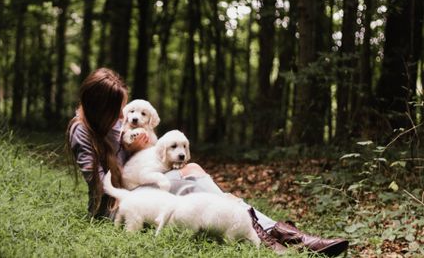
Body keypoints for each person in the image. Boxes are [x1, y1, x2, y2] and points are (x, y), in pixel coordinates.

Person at [66, 68, 348, 256]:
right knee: (185, 181)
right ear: (99, 109)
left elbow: (148, 156)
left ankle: (279, 231)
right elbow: (101, 184)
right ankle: (272, 235)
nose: (122, 117)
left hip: (141, 185)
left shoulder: (119, 122)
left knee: (192, 169)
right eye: (116, 111)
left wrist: (141, 146)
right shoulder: (82, 131)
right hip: (119, 205)